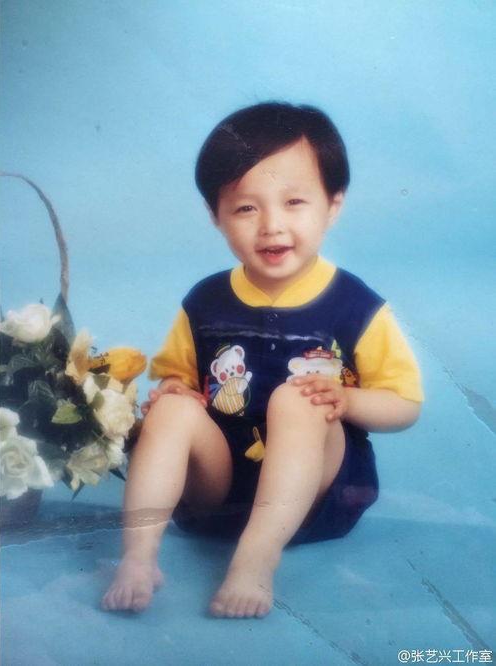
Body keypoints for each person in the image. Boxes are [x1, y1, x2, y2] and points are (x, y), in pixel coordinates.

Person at [101, 101, 424, 618]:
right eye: (246, 208)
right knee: (171, 409)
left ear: (333, 205)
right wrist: (174, 392)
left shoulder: (356, 305)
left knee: (300, 399)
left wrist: (346, 399)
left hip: (316, 498)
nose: (272, 226)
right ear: (216, 215)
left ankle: (255, 560)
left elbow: (404, 405)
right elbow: (176, 377)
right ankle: (139, 557)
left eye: (294, 202)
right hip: (220, 495)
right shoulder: (204, 301)